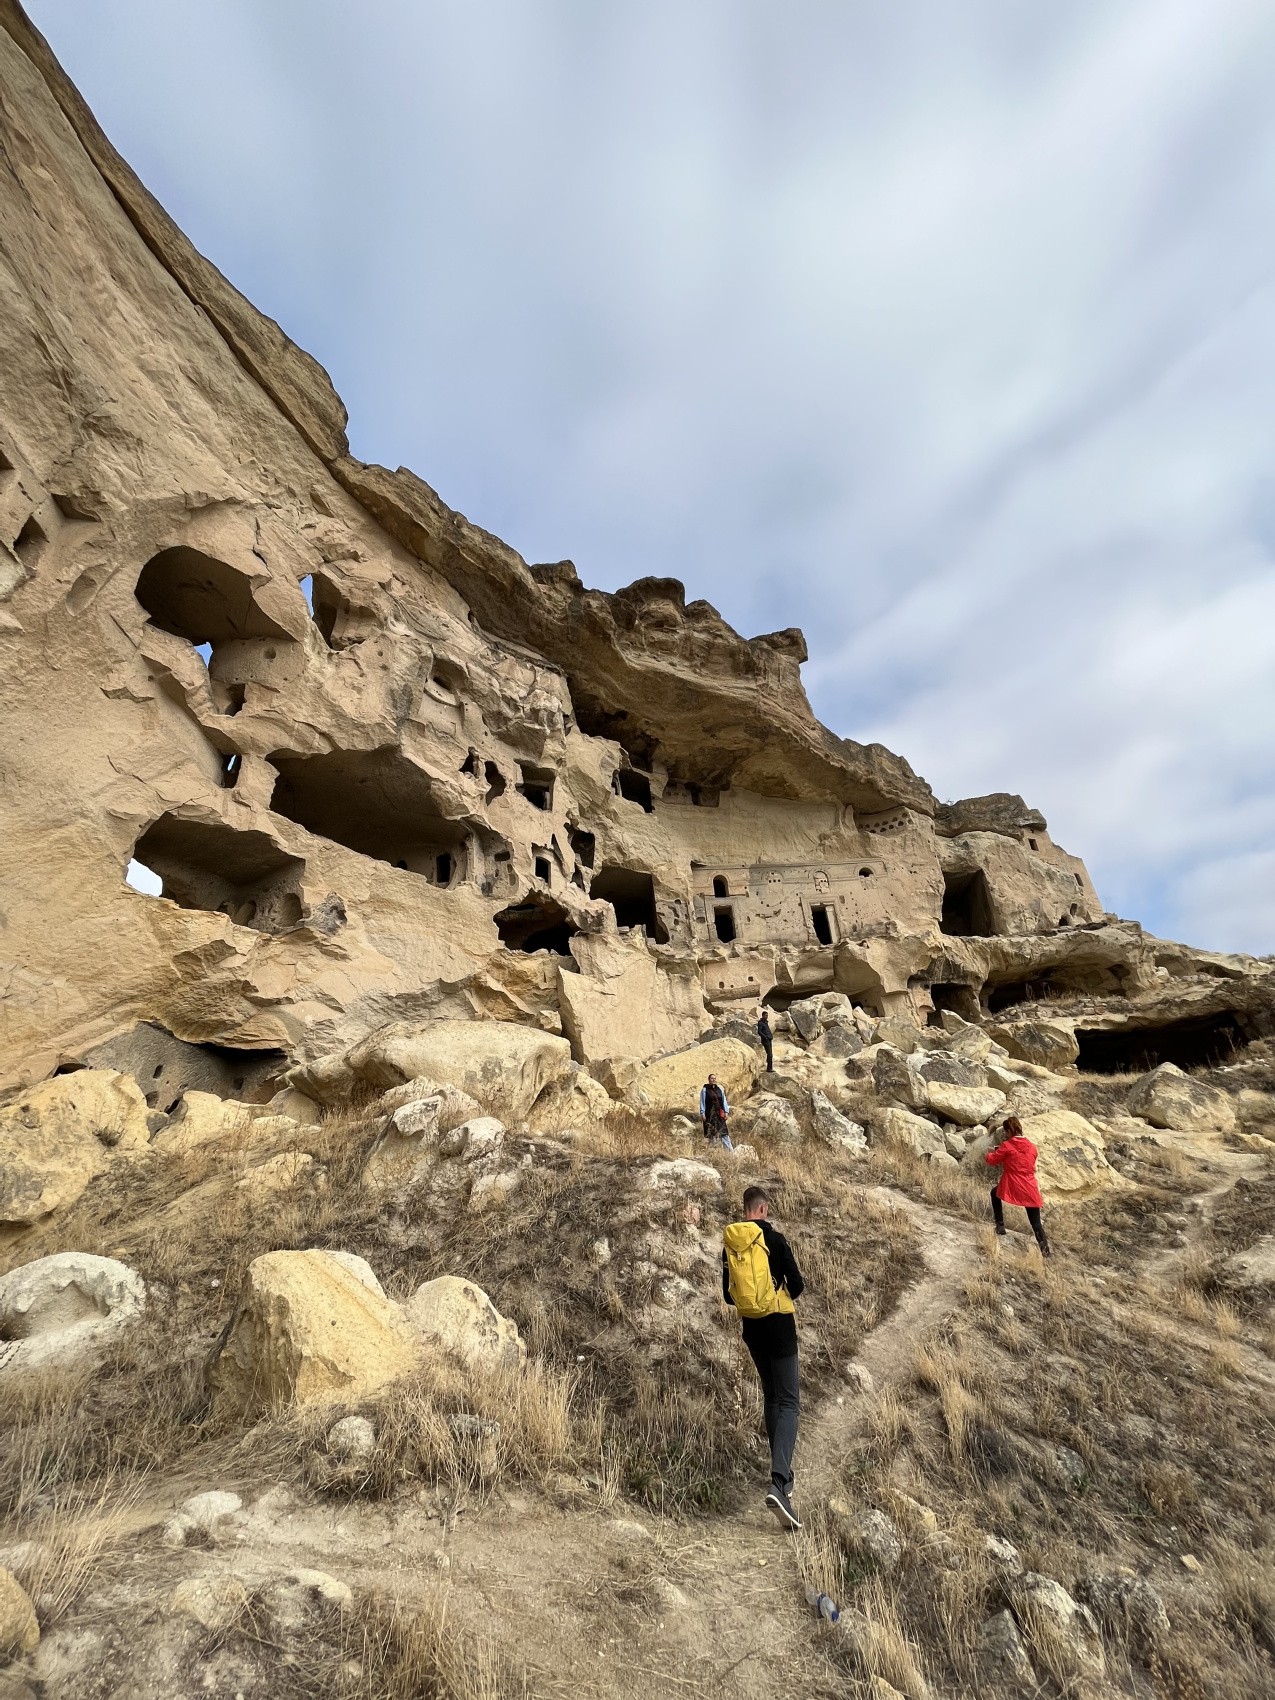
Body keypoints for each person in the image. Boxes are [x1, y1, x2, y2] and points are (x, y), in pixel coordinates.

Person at [722, 1185, 805, 1529]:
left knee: (772, 1396)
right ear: (764, 1209)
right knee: (789, 1402)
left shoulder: (731, 1243)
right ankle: (780, 1482)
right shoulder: (776, 1239)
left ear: (745, 1210)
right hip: (780, 1327)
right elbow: (797, 1286)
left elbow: (729, 1296)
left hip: (752, 1330)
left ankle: (780, 1475)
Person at [984, 1116, 1051, 1256]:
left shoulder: (1007, 1146)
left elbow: (993, 1161)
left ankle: (1000, 1226)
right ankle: (1045, 1250)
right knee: (1035, 1221)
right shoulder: (1032, 1147)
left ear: (1009, 1131)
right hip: (1029, 1186)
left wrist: (990, 1153)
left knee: (995, 1194)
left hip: (1012, 1183)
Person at [699, 1073, 734, 1151]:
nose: (714, 1080)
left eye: (715, 1078)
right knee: (711, 1134)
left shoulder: (719, 1090)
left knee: (724, 1133)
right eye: (712, 1078)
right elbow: (702, 1102)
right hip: (709, 1115)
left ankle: (730, 1151)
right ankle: (713, 1151)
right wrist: (702, 1113)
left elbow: (724, 1101)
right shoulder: (705, 1090)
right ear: (709, 1080)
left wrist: (726, 1112)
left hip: (719, 1115)